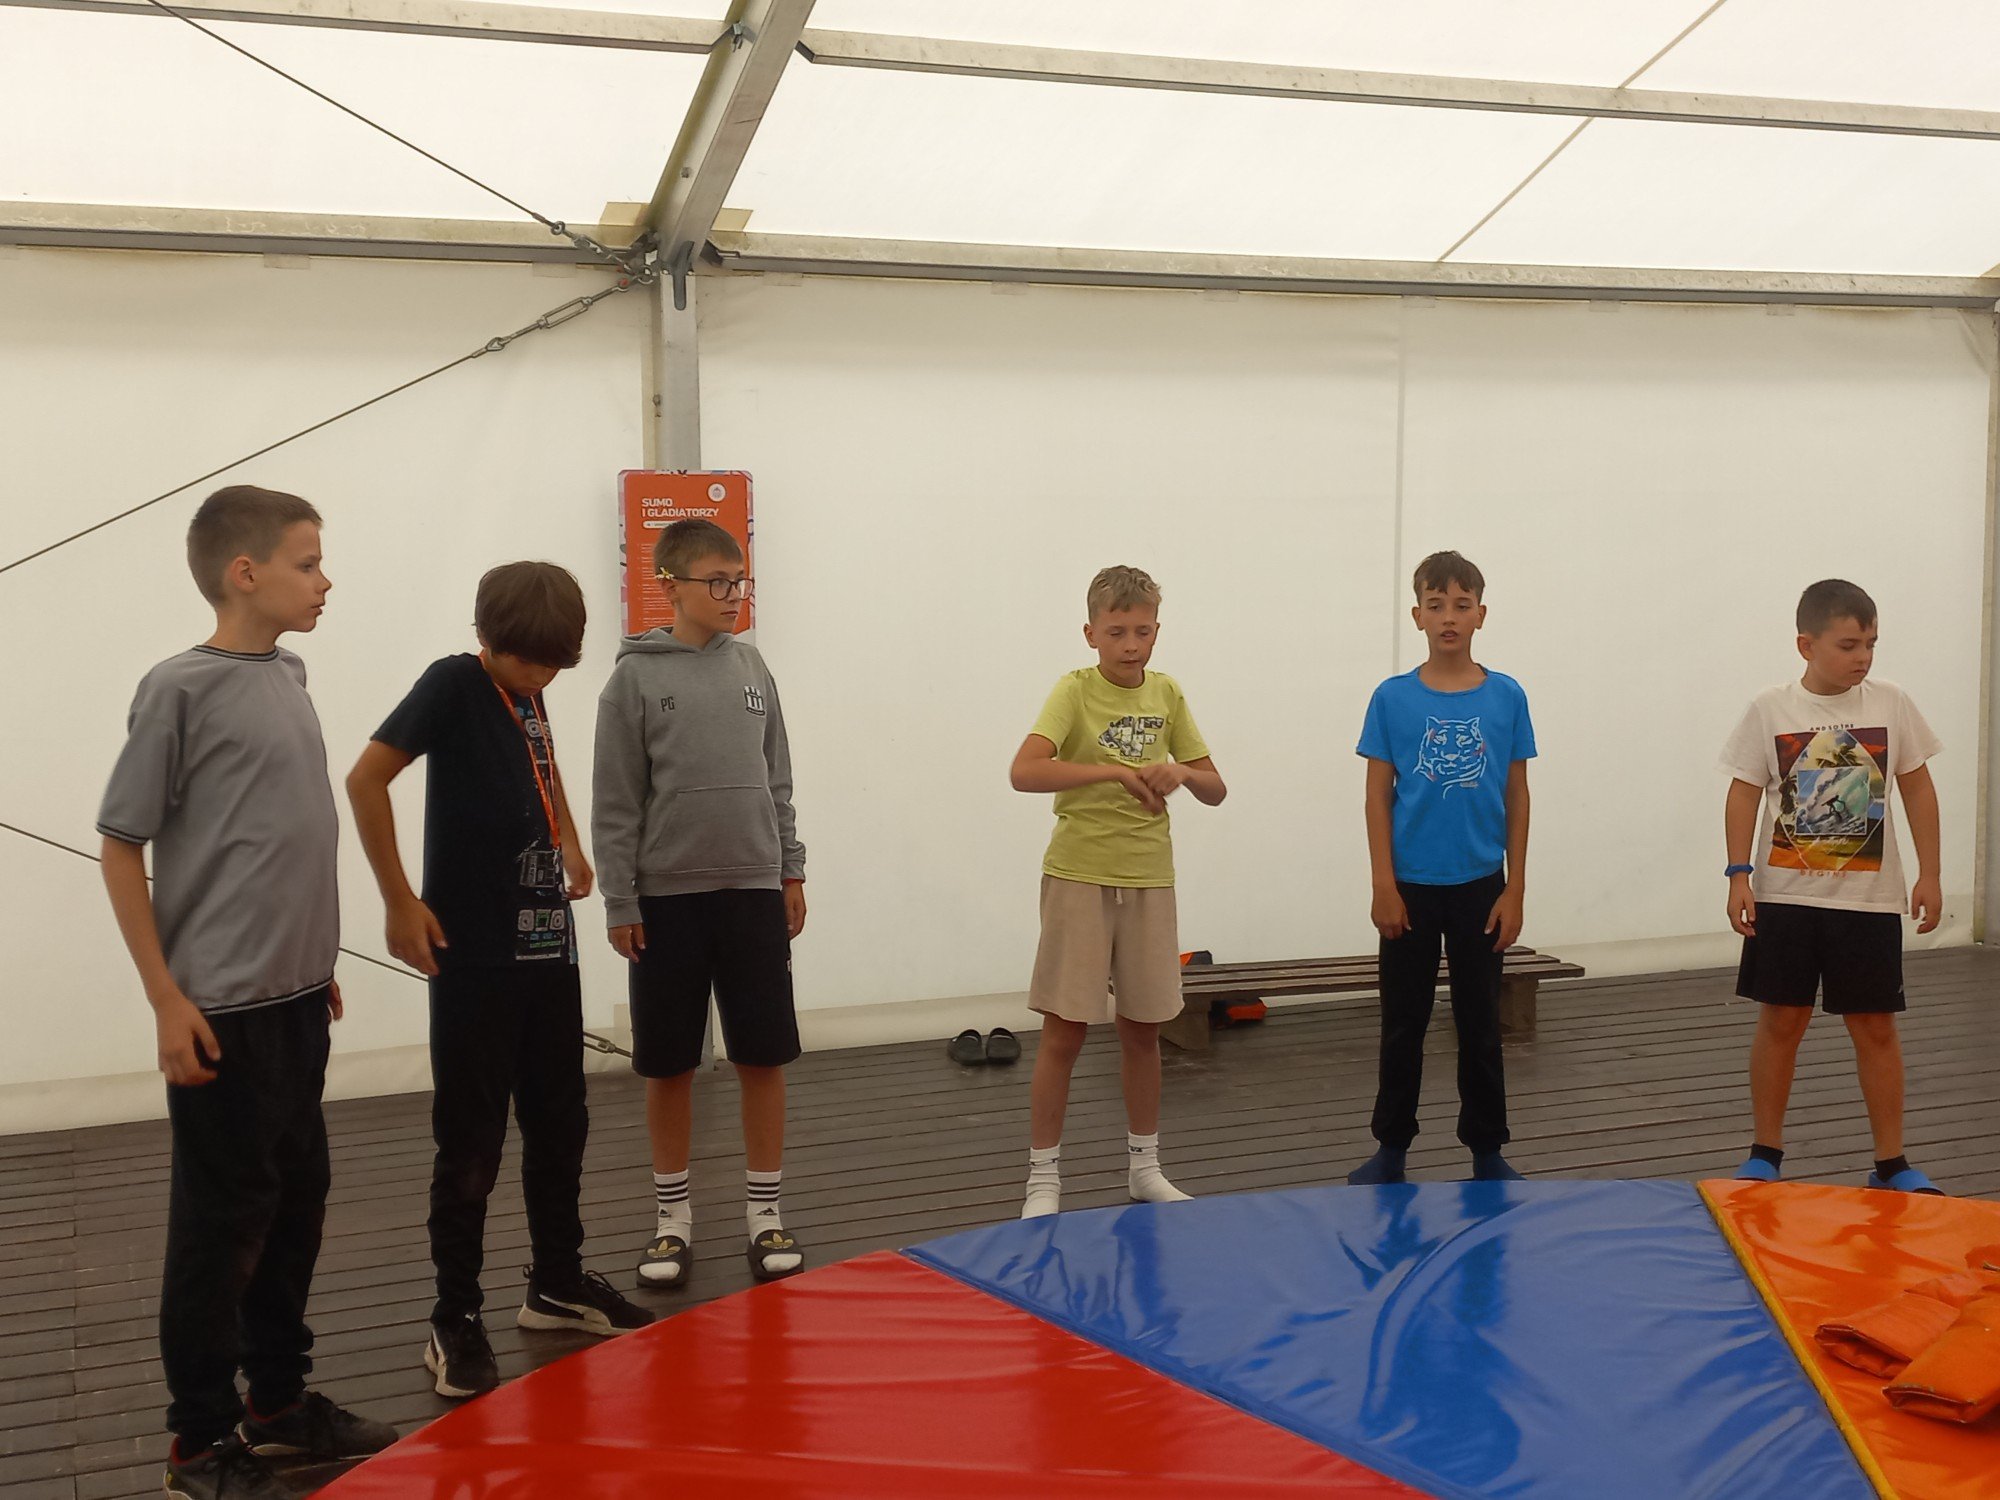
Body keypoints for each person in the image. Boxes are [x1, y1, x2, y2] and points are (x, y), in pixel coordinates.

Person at [98, 485, 394, 1500]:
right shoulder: (178, 689)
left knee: (294, 1206)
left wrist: (314, 963)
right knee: (219, 1230)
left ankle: (275, 1402)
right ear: (245, 573)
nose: (324, 581)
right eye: (308, 563)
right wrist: (165, 1000)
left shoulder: (290, 673)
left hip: (297, 999)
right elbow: (121, 845)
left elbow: (273, 841)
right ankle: (197, 1441)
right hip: (221, 1014)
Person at [348, 561, 651, 1402]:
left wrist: (571, 841)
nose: (542, 675)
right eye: (528, 662)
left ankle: (556, 1282)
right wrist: (399, 899)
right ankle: (455, 1314)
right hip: (473, 954)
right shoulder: (453, 684)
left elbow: (540, 767)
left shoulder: (530, 691)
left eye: (555, 664)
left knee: (561, 1120)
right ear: (486, 638)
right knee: (472, 1140)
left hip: (547, 948)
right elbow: (366, 778)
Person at [593, 519, 809, 1286]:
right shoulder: (631, 681)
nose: (732, 594)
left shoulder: (753, 667)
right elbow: (616, 801)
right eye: (716, 581)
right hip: (665, 903)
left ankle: (765, 1213)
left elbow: (777, 777)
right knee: (669, 1064)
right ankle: (671, 1221)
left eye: (738, 580)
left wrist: (790, 869)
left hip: (752, 892)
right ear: (670, 586)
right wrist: (620, 899)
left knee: (762, 1056)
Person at [1009, 565, 1227, 1218]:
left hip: (1150, 877)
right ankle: (1043, 1180)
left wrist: (1180, 772)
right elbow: (1024, 771)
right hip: (1079, 873)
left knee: (1143, 1029)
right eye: (1117, 633)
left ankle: (1145, 1168)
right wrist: (1110, 772)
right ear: (1091, 634)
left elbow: (1216, 788)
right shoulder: (1074, 691)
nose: (1131, 645)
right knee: (1064, 1031)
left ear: (1157, 629)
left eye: (1142, 631)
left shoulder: (1168, 693)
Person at [1722, 578, 1944, 1193]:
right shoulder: (1770, 708)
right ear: (1806, 644)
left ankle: (1891, 1162)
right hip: (1784, 898)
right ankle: (1765, 1152)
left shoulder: (1892, 703)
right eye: (1848, 645)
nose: (1862, 657)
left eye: (1871, 644)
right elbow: (1743, 791)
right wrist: (1738, 876)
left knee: (1875, 1027)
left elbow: (1918, 788)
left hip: (1868, 903)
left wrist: (1930, 874)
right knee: (1781, 1021)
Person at [1348, 550, 1535, 1186]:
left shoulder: (1506, 696)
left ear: (1481, 614)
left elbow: (1517, 794)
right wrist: (1383, 884)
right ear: (1417, 616)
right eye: (1436, 606)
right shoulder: (1392, 699)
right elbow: (1377, 795)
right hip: (1410, 889)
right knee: (1403, 1023)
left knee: (1480, 1023)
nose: (1448, 617)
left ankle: (1487, 1150)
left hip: (1481, 887)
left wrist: (1514, 887)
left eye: (1461, 605)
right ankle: (1392, 1148)